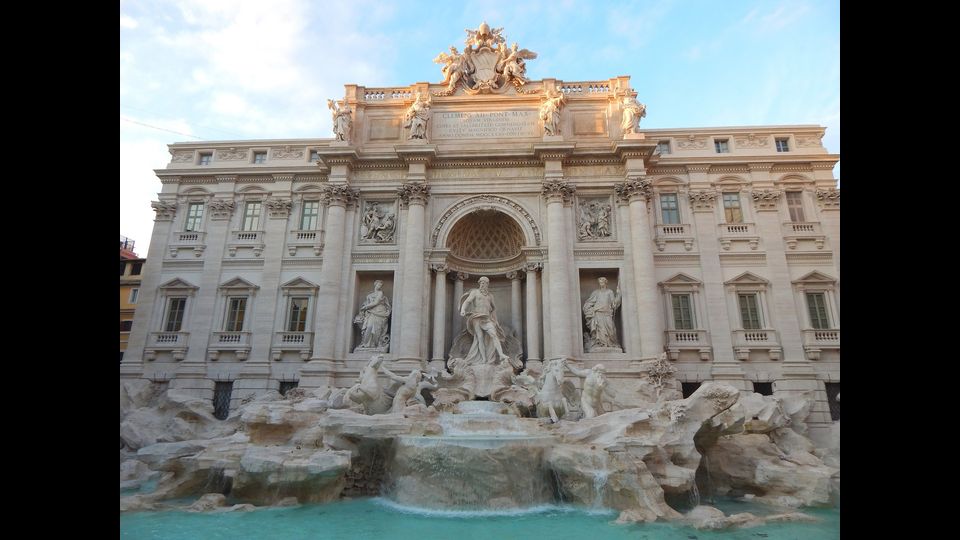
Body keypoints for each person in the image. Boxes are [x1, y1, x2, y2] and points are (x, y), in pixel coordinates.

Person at [458, 276, 511, 365]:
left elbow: (493, 308)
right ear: (479, 283)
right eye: (481, 283)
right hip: (476, 317)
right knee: (480, 338)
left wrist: (495, 320)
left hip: (487, 318)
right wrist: (463, 309)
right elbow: (467, 301)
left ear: (487, 284)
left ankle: (501, 354)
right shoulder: (475, 292)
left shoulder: (490, 296)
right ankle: (484, 359)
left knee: (494, 334)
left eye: (485, 283)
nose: (483, 284)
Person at [582, 277, 622, 350]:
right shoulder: (596, 292)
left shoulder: (609, 292)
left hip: (607, 313)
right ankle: (600, 344)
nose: (601, 283)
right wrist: (589, 309)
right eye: (600, 282)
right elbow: (589, 302)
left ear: (606, 282)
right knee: (599, 330)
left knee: (611, 329)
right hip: (598, 313)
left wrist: (618, 295)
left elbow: (613, 303)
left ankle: (611, 343)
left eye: (602, 282)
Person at [354, 280, 391, 350]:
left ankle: (374, 344)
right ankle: (366, 344)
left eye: (381, 285)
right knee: (369, 326)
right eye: (378, 285)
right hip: (371, 312)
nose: (379, 286)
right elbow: (366, 303)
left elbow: (376, 302)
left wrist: (365, 307)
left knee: (377, 329)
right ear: (375, 285)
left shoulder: (380, 293)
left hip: (380, 312)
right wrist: (364, 310)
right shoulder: (369, 295)